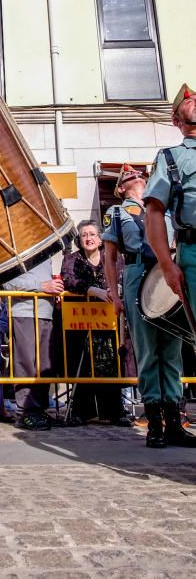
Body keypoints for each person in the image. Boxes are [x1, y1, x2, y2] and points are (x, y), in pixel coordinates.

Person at [103, 162, 194, 448]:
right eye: (128, 177)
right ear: (121, 188)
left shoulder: (164, 210)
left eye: (138, 175)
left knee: (172, 350)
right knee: (146, 350)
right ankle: (154, 423)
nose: (135, 177)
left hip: (165, 271)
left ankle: (174, 422)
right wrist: (115, 295)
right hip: (136, 272)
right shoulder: (116, 213)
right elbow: (109, 256)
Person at [144, 82, 196, 447]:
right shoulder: (171, 158)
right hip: (191, 253)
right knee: (154, 351)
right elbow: (154, 212)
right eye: (188, 103)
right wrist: (167, 264)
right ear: (177, 119)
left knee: (172, 354)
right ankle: (157, 421)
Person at [61, 220, 130, 426]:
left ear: (100, 238)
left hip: (107, 321)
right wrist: (94, 290)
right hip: (79, 320)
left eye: (92, 234)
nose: (88, 238)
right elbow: (69, 280)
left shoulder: (114, 258)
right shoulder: (71, 259)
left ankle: (114, 411)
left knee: (108, 363)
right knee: (80, 363)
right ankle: (83, 411)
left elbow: (123, 280)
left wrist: (115, 291)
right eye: (84, 235)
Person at [5, 259, 62, 431]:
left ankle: (38, 409)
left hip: (46, 312)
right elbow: (8, 283)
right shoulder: (18, 249)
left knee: (44, 365)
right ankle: (25, 412)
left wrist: (54, 290)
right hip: (25, 312)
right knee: (26, 361)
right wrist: (42, 286)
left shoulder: (45, 253)